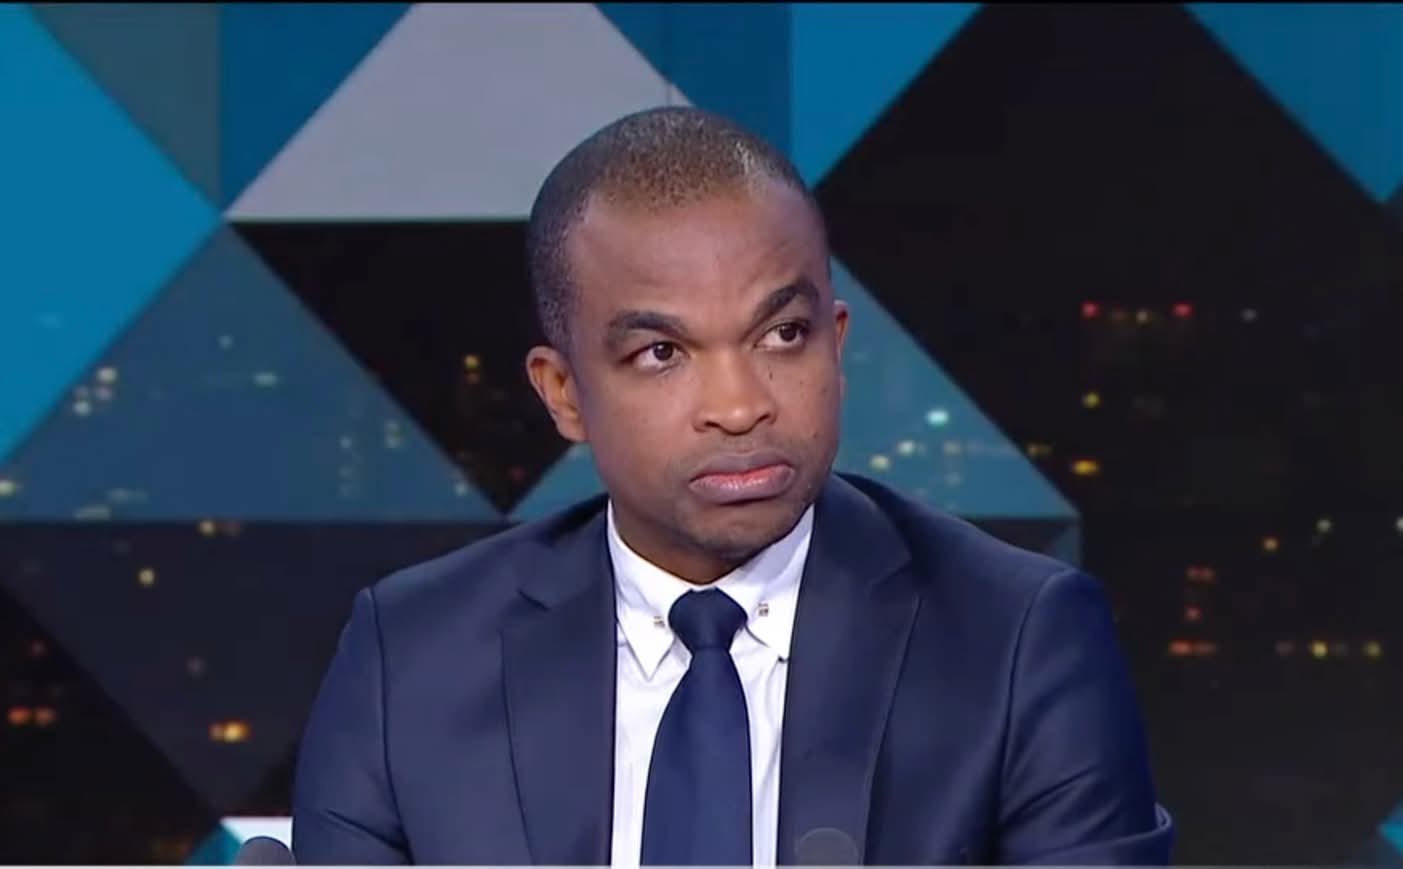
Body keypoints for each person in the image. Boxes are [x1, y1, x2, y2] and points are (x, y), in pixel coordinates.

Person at [291, 106, 1173, 866]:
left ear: (835, 341)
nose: (740, 405)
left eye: (782, 335)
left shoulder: (1017, 642)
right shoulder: (410, 661)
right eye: (661, 353)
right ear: (563, 393)